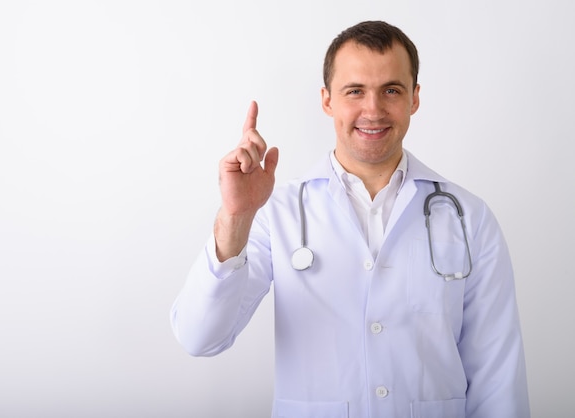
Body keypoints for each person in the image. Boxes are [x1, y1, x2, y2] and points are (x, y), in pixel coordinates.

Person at [170, 20, 530, 418]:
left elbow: (498, 378)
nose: (372, 110)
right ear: (327, 100)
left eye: (391, 90)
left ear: (414, 98)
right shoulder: (278, 210)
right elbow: (199, 337)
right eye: (354, 91)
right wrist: (235, 217)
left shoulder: (469, 218)